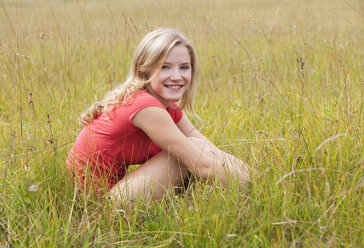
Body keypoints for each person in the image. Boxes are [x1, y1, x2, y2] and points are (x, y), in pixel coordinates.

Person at [66, 28, 249, 205]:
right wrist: (250, 186)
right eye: (165, 67)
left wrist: (243, 169)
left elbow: (205, 144)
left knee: (196, 146)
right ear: (145, 70)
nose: (176, 76)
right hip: (105, 203)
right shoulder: (145, 106)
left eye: (184, 67)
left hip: (114, 194)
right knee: (187, 155)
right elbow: (202, 165)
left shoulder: (166, 105)